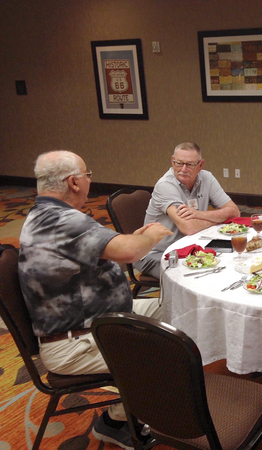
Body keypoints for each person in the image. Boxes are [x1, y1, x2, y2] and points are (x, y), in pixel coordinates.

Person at [18, 150, 173, 448]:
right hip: (75, 342)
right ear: (74, 182)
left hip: (98, 319)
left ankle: (129, 410)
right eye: (88, 175)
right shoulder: (59, 220)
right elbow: (128, 252)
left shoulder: (50, 214)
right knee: (169, 351)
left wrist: (132, 238)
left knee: (180, 308)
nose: (90, 180)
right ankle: (118, 421)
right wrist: (151, 237)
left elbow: (106, 246)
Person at [135, 142, 239, 279]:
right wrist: (217, 218)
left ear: (200, 165)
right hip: (157, 253)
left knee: (229, 262)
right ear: (172, 161)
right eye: (179, 163)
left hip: (190, 247)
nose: (183, 169)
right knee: (198, 276)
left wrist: (199, 214)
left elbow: (234, 212)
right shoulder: (165, 186)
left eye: (190, 164)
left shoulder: (207, 178)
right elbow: (189, 227)